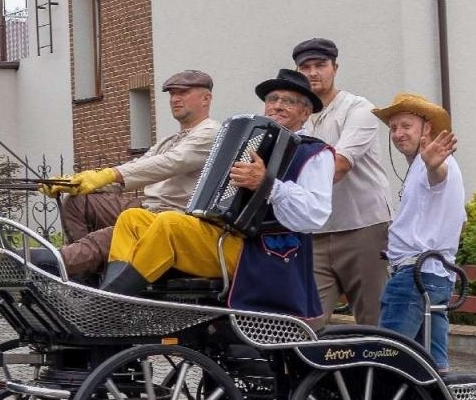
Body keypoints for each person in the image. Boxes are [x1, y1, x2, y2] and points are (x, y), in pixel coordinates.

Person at [99, 69, 334, 318]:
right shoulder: (256, 142)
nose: (277, 105)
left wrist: (267, 185)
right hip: (229, 238)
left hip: (266, 252)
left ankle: (109, 306)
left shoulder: (314, 153)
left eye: (288, 101)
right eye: (272, 99)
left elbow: (314, 215)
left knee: (170, 224)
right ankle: (111, 297)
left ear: (305, 113)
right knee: (132, 219)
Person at [39, 70, 219, 279]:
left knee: (112, 234)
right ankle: (85, 274)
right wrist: (79, 183)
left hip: (174, 217)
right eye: (172, 94)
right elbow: (139, 166)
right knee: (79, 201)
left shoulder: (211, 133)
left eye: (183, 93)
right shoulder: (170, 140)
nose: (175, 99)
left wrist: (107, 175)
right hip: (148, 208)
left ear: (206, 99)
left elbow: (169, 163)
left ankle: (50, 263)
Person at [292, 38, 393, 326]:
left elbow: (340, 165)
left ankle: (378, 359)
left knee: (372, 320)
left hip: (363, 227)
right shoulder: (298, 117)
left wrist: (281, 188)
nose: (313, 73)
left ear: (334, 68)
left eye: (320, 65)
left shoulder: (358, 109)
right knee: (307, 323)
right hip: (315, 233)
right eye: (305, 67)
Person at [373, 93, 465, 373]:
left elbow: (438, 176)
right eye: (393, 128)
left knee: (387, 360)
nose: (398, 134)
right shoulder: (420, 167)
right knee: (433, 368)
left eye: (406, 126)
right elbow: (461, 220)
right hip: (437, 276)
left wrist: (433, 165)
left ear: (427, 128)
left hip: (415, 276)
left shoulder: (432, 164)